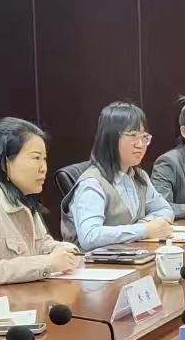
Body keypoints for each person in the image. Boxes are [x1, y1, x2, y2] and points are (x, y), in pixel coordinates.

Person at [0, 118, 82, 288]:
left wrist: (62, 250)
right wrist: (48, 264)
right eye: (36, 158)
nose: (44, 168)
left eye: (44, 159)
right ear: (4, 162)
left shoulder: (20, 196)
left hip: (27, 297)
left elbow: (42, 244)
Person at [61, 102, 174, 251]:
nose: (140, 144)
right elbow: (89, 236)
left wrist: (144, 226)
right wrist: (144, 230)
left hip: (133, 255)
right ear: (111, 138)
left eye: (144, 136)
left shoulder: (139, 176)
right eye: (132, 135)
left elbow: (165, 210)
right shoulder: (92, 183)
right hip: (96, 262)